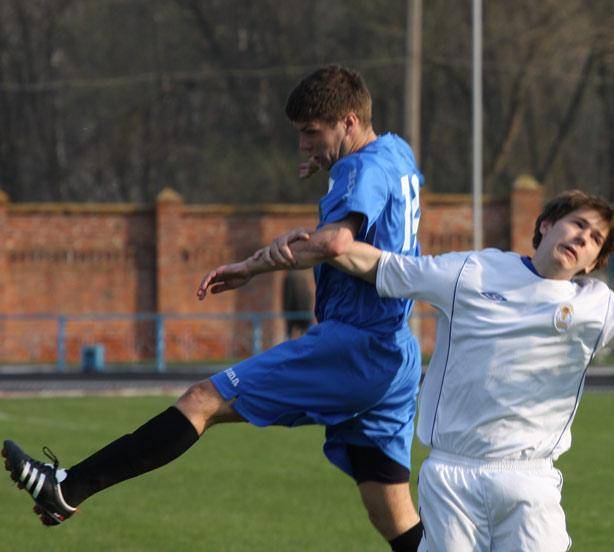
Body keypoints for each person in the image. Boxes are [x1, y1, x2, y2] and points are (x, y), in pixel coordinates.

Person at [2, 65, 425, 551]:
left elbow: (334, 244)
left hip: (354, 345)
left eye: (312, 133)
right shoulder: (396, 152)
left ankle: (67, 488)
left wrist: (252, 265)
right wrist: (331, 172)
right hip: (397, 354)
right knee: (392, 511)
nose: (304, 145)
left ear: (348, 121)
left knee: (203, 400)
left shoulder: (359, 169)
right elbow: (372, 221)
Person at [275, 189, 614, 551]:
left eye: (594, 239)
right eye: (577, 225)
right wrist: (317, 246)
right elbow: (383, 267)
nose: (582, 238)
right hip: (452, 475)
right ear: (545, 226)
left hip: (530, 481)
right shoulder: (474, 271)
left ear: (592, 263)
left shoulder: (598, 307)